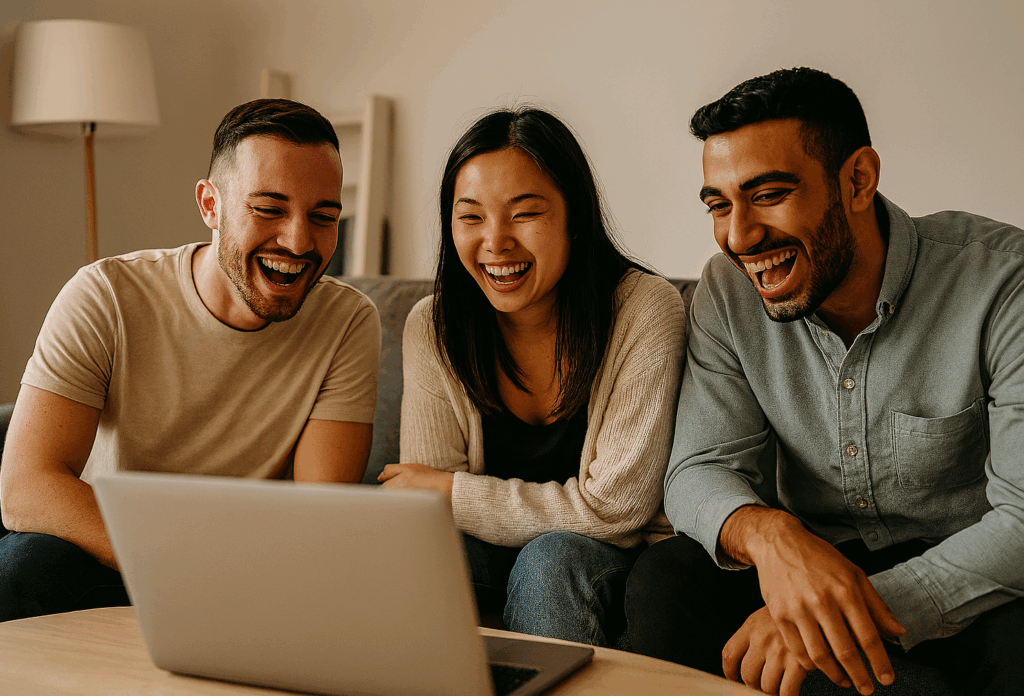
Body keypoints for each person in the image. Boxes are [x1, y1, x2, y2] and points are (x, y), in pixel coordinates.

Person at [625, 67, 1024, 696]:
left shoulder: (1003, 284)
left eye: (768, 195)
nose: (739, 236)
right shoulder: (726, 292)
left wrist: (833, 616)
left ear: (858, 180)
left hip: (967, 572)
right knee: (666, 578)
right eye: (719, 204)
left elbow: (1022, 522)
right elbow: (698, 468)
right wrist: (773, 537)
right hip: (808, 557)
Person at [0, 99, 381, 622]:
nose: (298, 241)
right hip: (111, 553)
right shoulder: (105, 294)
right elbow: (26, 489)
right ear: (210, 204)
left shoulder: (348, 321)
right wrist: (179, 566)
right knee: (25, 565)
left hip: (250, 576)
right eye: (269, 209)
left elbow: (318, 517)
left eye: (323, 217)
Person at [377, 108, 687, 647]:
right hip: (493, 552)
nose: (496, 242)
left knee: (550, 561)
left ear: (574, 218)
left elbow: (615, 511)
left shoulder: (645, 309)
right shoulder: (432, 325)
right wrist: (442, 496)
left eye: (524, 214)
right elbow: (425, 505)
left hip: (615, 558)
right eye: (470, 217)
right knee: (419, 553)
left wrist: (454, 491)